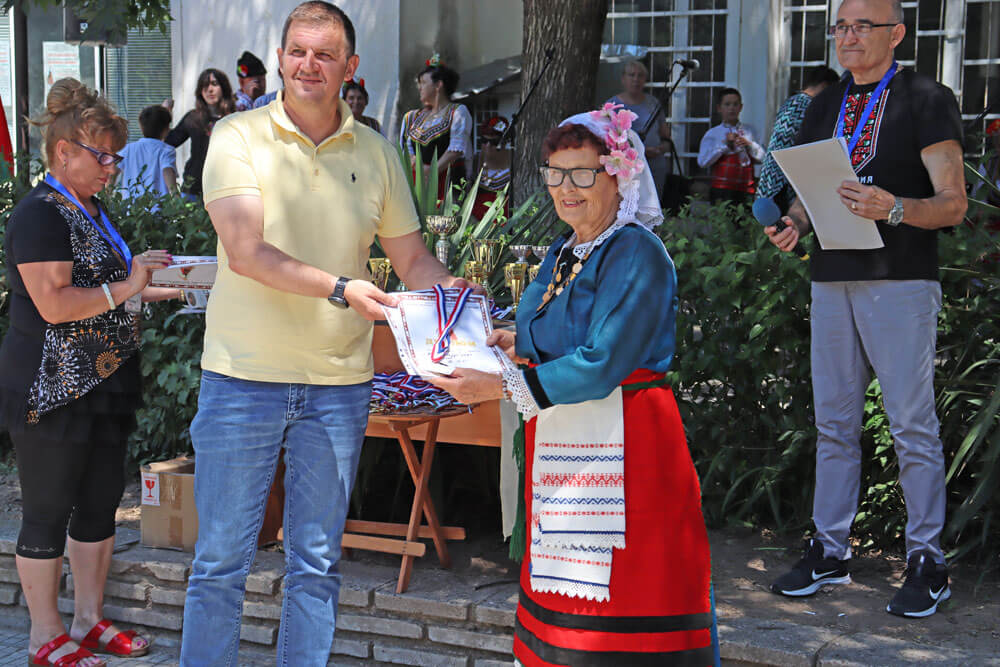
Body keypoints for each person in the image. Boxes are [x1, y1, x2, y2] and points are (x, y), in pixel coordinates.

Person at [178, 3, 479, 665]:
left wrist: (449, 289)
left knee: (315, 565)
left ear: (350, 66)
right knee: (221, 562)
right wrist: (342, 288)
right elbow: (246, 252)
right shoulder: (236, 135)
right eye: (297, 51)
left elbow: (411, 258)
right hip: (241, 379)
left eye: (324, 53)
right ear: (280, 59)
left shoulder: (376, 152)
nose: (308, 64)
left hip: (338, 387)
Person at [425, 103, 717, 666]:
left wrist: (502, 387)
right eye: (555, 174)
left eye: (582, 173)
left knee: (627, 599)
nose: (566, 188)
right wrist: (513, 342)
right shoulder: (565, 251)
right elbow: (550, 330)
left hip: (630, 450)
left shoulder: (636, 251)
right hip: (565, 442)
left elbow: (603, 361)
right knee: (565, 595)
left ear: (619, 177)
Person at [764, 0, 967, 618]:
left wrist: (894, 207)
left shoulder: (927, 98)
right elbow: (810, 195)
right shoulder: (823, 103)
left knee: (911, 425)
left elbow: (954, 203)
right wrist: (794, 225)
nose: (847, 37)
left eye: (862, 26)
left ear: (896, 33)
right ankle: (830, 550)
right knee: (833, 423)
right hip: (831, 278)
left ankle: (927, 560)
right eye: (840, 26)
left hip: (900, 280)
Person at [0, 78, 181, 667]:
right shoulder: (38, 214)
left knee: (100, 505)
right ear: (63, 152)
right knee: (48, 509)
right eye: (102, 156)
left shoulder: (91, 209)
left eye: (114, 157)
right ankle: (43, 636)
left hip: (104, 382)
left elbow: (113, 286)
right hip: (51, 386)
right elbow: (55, 304)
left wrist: (173, 282)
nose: (112, 167)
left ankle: (88, 619)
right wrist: (129, 285)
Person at [757, 65, 840, 210]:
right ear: (824, 86)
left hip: (772, 179)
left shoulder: (792, 101)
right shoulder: (807, 105)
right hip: (783, 183)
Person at [400, 54, 473, 190]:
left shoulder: (457, 112)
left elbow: (456, 149)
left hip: (447, 185)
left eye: (423, 83)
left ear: (438, 85)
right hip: (417, 185)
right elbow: (405, 150)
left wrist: (432, 172)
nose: (419, 88)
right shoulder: (412, 117)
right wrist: (418, 166)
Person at [165, 68, 235, 199]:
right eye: (204, 86)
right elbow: (169, 141)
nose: (209, 90)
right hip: (193, 190)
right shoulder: (193, 118)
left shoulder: (235, 119)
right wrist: (165, 112)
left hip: (226, 190)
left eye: (214, 84)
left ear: (224, 87)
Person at [606, 59, 671, 199]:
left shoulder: (653, 103)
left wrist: (659, 149)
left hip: (654, 167)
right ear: (623, 79)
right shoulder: (613, 105)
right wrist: (640, 152)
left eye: (640, 75)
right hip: (627, 169)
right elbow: (607, 142)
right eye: (631, 75)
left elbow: (666, 138)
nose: (636, 79)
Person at [697, 87, 764, 206]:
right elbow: (702, 162)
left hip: (746, 188)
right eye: (727, 104)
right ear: (719, 108)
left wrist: (749, 145)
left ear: (741, 107)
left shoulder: (750, 131)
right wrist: (725, 146)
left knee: (744, 217)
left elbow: (763, 158)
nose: (731, 108)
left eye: (735, 104)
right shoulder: (713, 134)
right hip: (722, 190)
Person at [116, 104, 178, 200]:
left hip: (131, 206)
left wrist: (108, 197)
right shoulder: (166, 150)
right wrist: (176, 197)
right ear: (166, 129)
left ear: (141, 127)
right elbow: (167, 171)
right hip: (159, 206)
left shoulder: (127, 149)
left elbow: (113, 172)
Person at [471, 115, 511, 220]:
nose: (488, 145)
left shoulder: (513, 161)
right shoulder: (475, 161)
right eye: (484, 140)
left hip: (503, 218)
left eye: (494, 142)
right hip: (477, 220)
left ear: (504, 142)